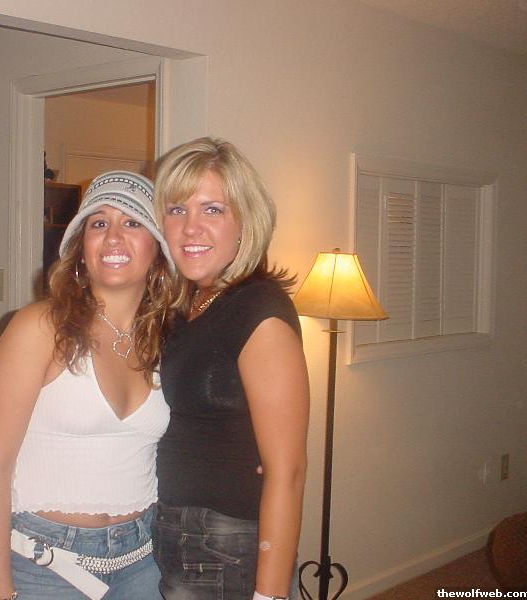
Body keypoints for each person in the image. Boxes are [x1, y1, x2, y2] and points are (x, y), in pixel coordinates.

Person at [0, 171, 174, 600]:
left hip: (145, 559)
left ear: (157, 248)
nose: (114, 236)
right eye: (99, 223)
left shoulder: (167, 337)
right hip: (46, 566)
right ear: (81, 248)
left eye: (132, 222)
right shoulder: (39, 328)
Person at [152, 138, 310, 600]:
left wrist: (269, 594)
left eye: (213, 210)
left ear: (245, 221)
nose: (191, 227)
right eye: (177, 210)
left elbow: (288, 471)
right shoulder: (184, 305)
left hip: (226, 546)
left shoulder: (258, 310)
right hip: (172, 531)